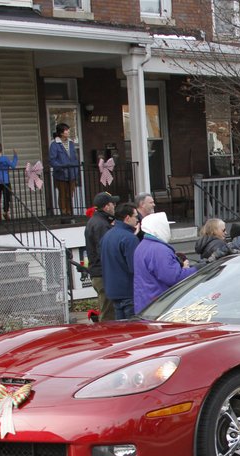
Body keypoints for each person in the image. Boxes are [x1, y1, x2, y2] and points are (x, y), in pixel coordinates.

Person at [133, 212, 197, 313]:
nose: (169, 230)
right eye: (167, 226)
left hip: (146, 302)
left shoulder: (142, 246)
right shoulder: (159, 249)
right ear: (159, 227)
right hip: (159, 305)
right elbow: (173, 277)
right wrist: (197, 269)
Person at [101, 203, 142, 319]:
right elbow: (135, 267)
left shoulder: (107, 235)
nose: (137, 220)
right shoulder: (129, 239)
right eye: (135, 216)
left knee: (122, 329)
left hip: (113, 290)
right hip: (128, 291)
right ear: (127, 218)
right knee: (134, 329)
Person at [84, 192, 119, 322]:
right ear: (106, 207)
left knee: (108, 309)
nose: (114, 206)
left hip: (99, 272)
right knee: (108, 313)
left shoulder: (97, 221)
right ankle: (106, 336)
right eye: (112, 203)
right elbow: (104, 251)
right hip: (103, 274)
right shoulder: (101, 225)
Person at [48, 123, 79, 221]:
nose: (68, 131)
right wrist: (61, 167)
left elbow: (74, 157)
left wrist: (75, 168)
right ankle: (64, 213)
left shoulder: (71, 143)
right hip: (61, 174)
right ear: (61, 132)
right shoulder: (54, 144)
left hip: (72, 173)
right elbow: (52, 160)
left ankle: (70, 212)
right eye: (66, 130)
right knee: (62, 194)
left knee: (70, 194)